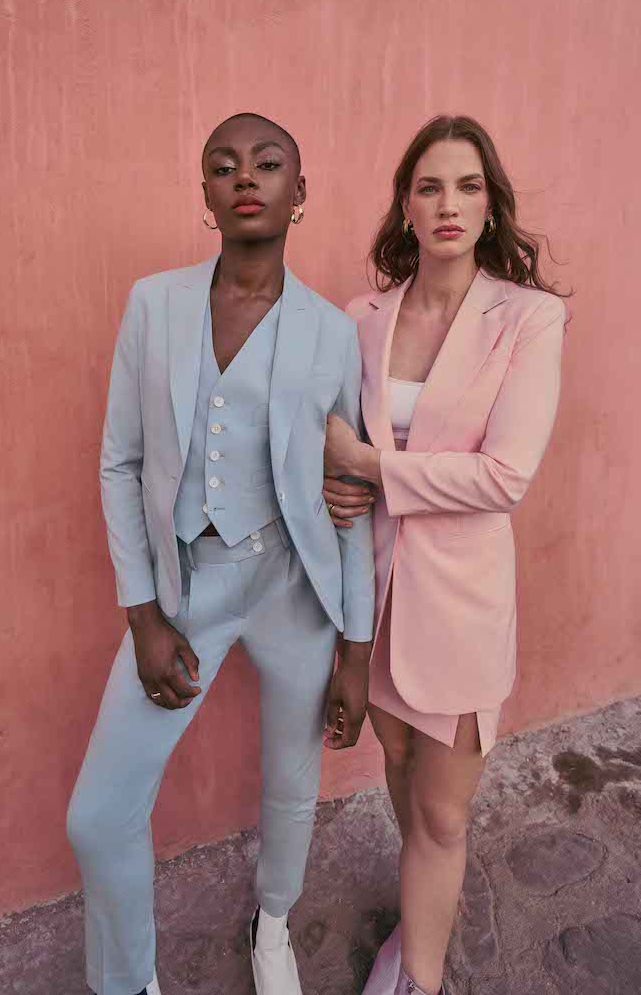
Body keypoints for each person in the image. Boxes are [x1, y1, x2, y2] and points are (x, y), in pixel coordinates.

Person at [67, 113, 375, 995]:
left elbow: (350, 500)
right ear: (206, 195)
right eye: (224, 165)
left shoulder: (330, 332)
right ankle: (129, 982)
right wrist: (143, 613)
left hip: (294, 586)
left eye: (269, 163)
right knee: (99, 816)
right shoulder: (153, 305)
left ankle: (271, 922)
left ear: (299, 193)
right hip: (185, 588)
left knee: (290, 777)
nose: (247, 175)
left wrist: (354, 650)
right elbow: (119, 461)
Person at [321, 115, 566, 995]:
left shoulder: (528, 318)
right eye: (430, 186)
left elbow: (504, 476)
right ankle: (416, 916)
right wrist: (339, 471)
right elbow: (336, 433)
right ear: (407, 207)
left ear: (492, 206)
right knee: (395, 768)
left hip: (460, 607)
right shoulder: (362, 317)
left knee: (443, 810)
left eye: (468, 185)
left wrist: (372, 467)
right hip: (373, 600)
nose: (449, 202)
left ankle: (419, 978)